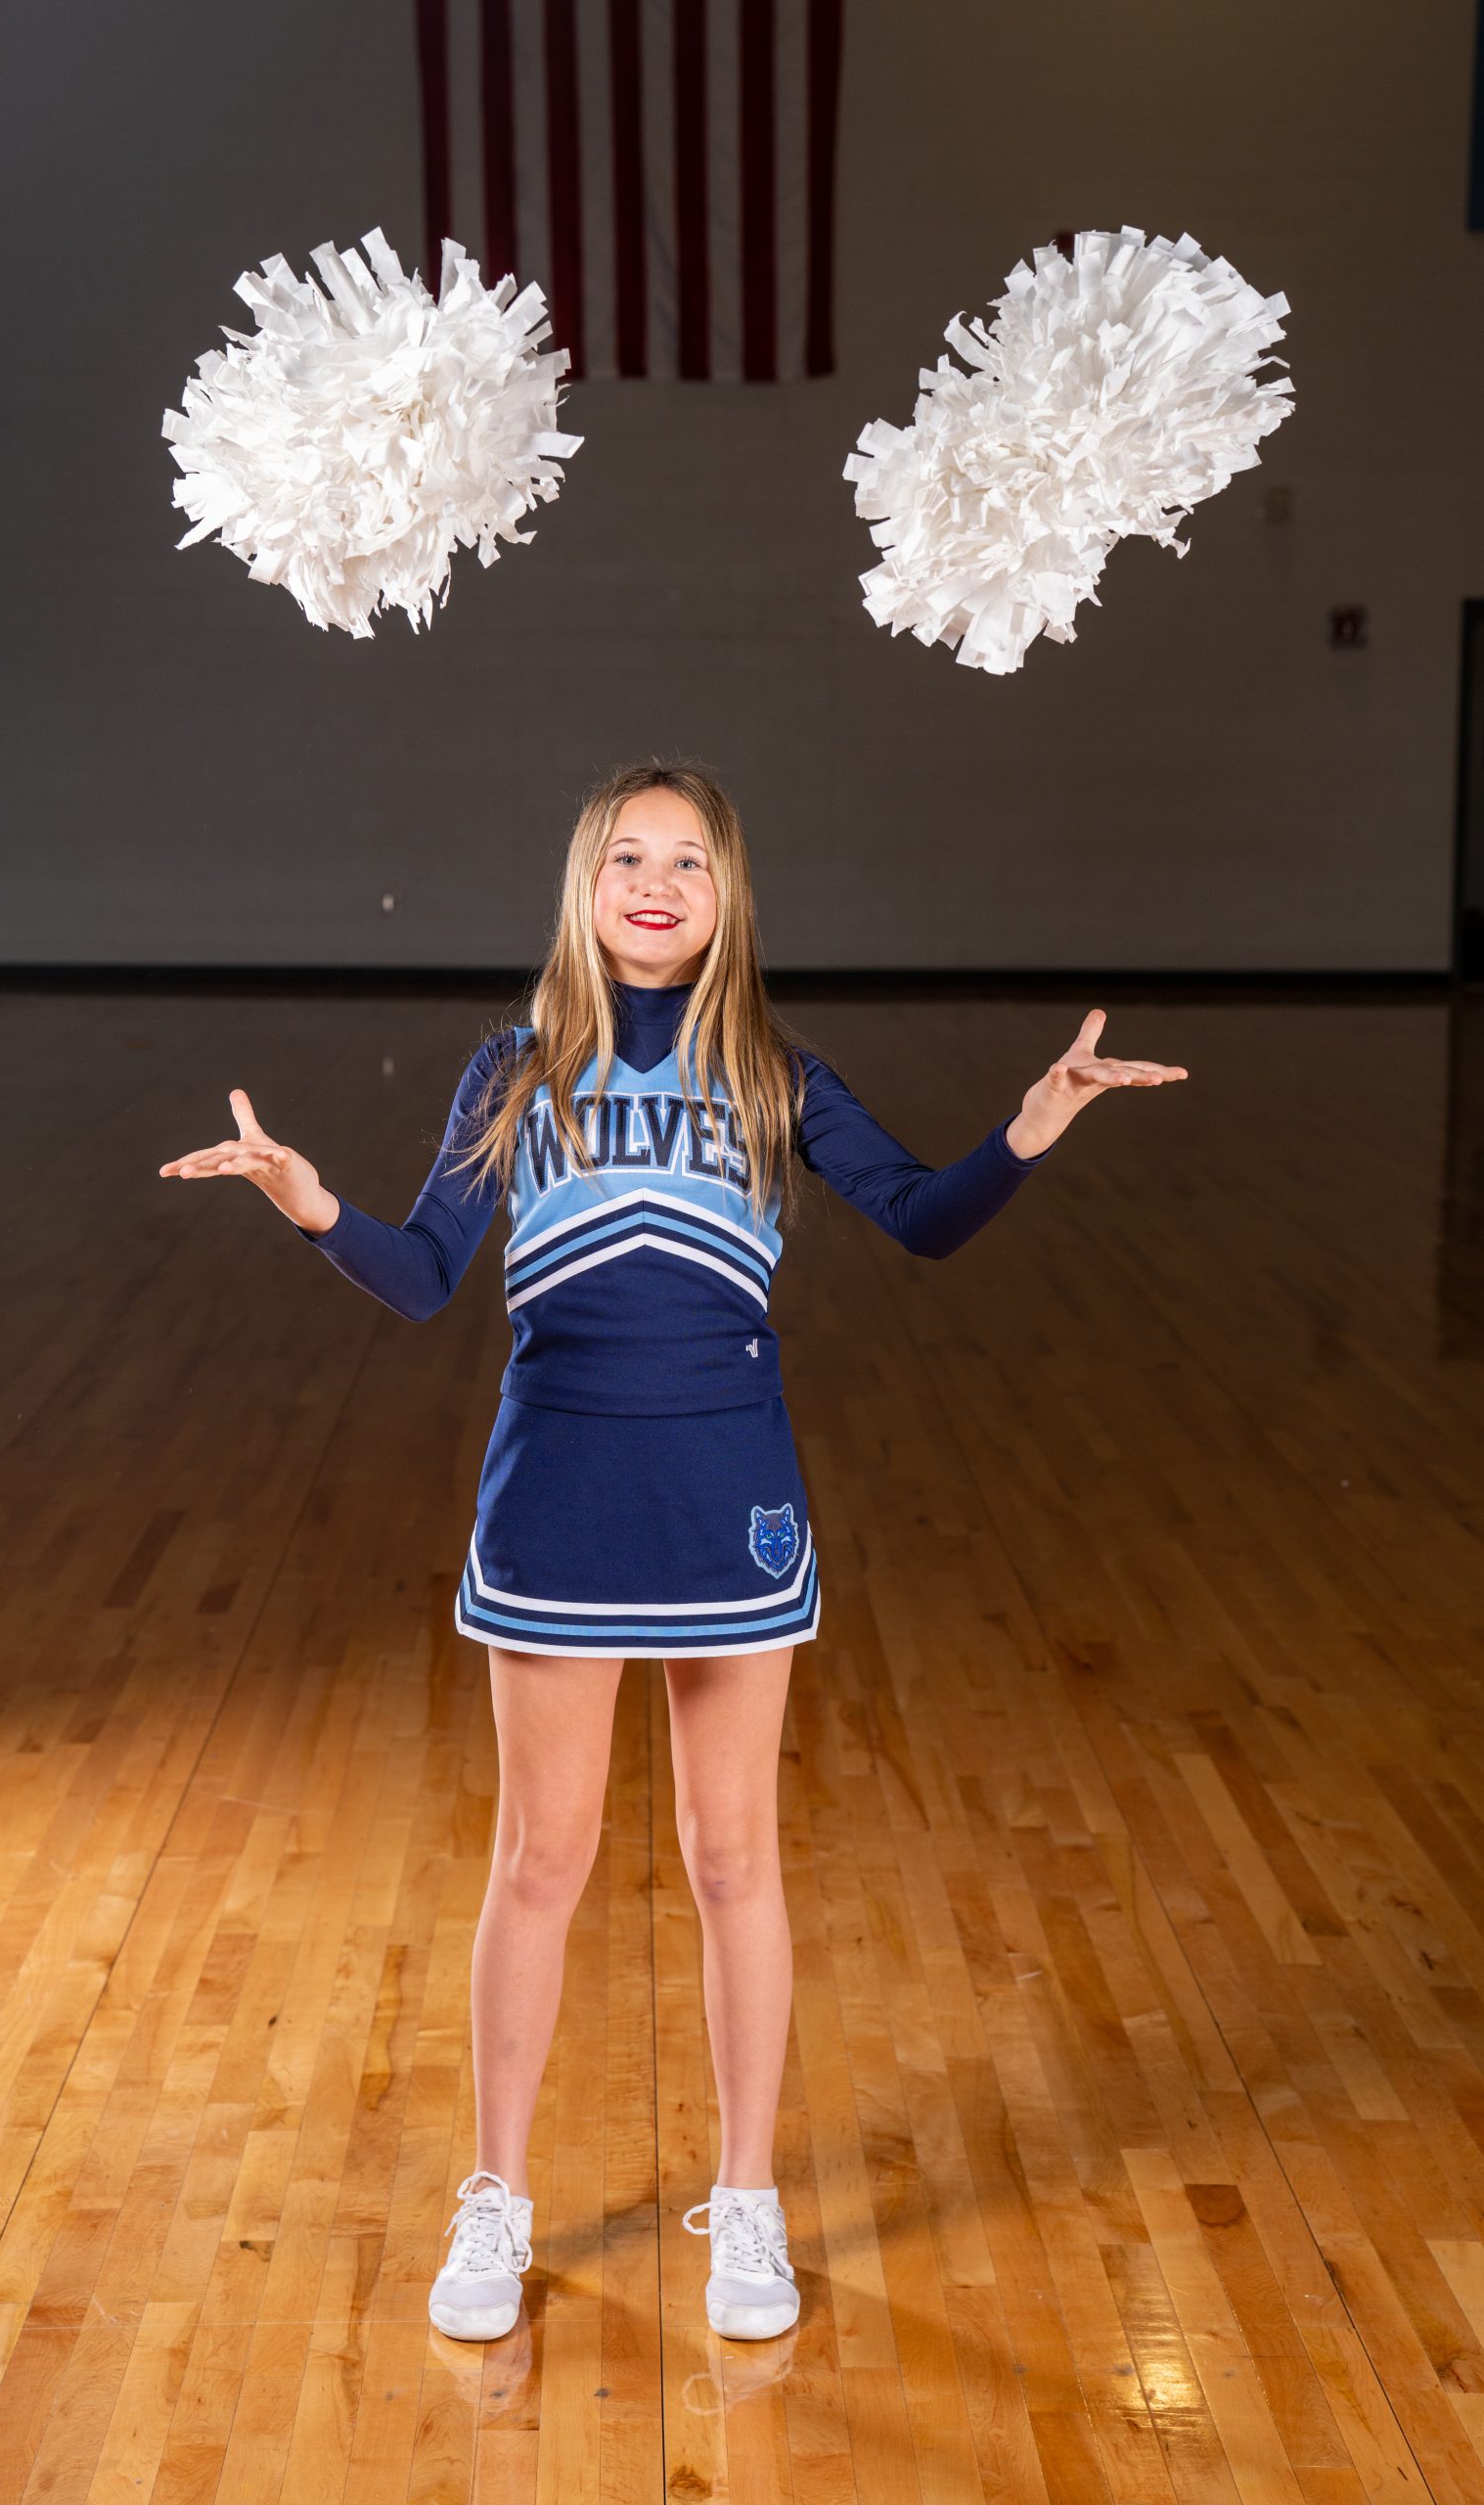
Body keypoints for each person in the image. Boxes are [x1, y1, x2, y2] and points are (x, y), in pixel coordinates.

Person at [157, 761, 1187, 2346]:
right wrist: (308, 1203)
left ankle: (748, 2199)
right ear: (584, 888)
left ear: (727, 894)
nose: (654, 883)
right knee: (539, 1860)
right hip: (558, 1495)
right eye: (625, 857)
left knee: (730, 1860)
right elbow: (424, 1277)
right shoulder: (513, 1069)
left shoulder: (775, 1072)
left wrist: (1032, 1125)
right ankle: (496, 2195)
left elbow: (920, 1216)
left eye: (686, 861)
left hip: (727, 1497)